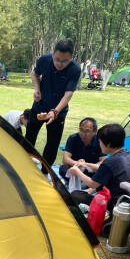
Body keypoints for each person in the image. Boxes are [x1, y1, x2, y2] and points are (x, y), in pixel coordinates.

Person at [26, 39, 82, 173]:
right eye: (57, 59)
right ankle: (24, 166)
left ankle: (45, 172)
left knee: (52, 144)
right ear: (52, 54)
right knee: (29, 138)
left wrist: (55, 111)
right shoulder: (44, 60)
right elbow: (35, 75)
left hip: (59, 111)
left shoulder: (75, 69)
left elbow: (68, 94)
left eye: (64, 61)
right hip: (39, 106)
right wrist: (37, 89)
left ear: (71, 57)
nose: (60, 64)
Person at [68, 123, 130, 213]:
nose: (99, 144)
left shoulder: (110, 162)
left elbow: (92, 184)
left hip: (114, 204)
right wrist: (86, 164)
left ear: (108, 144)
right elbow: (104, 169)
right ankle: (88, 192)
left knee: (75, 195)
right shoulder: (127, 153)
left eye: (100, 141)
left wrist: (77, 171)